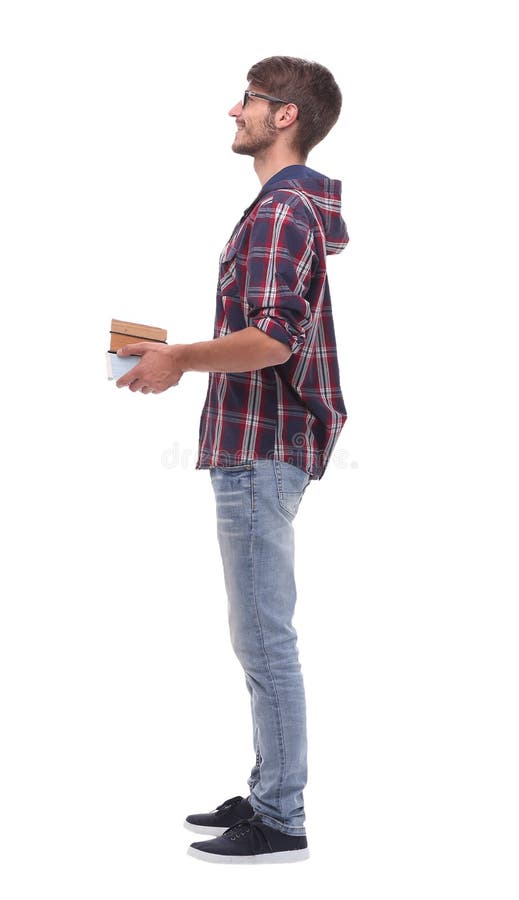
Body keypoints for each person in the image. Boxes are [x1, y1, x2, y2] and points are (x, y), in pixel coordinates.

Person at [116, 55, 350, 864]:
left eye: (248, 101)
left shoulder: (280, 213)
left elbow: (274, 339)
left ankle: (280, 817)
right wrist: (174, 359)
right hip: (261, 445)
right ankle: (266, 791)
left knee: (263, 637)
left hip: (261, 448)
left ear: (285, 116)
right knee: (258, 634)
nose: (233, 112)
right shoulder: (284, 207)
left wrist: (175, 358)